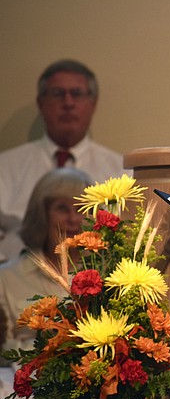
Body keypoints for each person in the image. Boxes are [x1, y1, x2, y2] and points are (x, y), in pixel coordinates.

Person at [0, 60, 126, 262]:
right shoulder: (5, 167)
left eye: (77, 94)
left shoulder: (121, 172)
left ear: (93, 103)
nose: (68, 103)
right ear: (41, 103)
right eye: (58, 94)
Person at [0, 168, 91, 399]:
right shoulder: (6, 277)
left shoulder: (105, 275)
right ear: (41, 214)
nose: (73, 219)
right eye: (62, 208)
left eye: (80, 209)